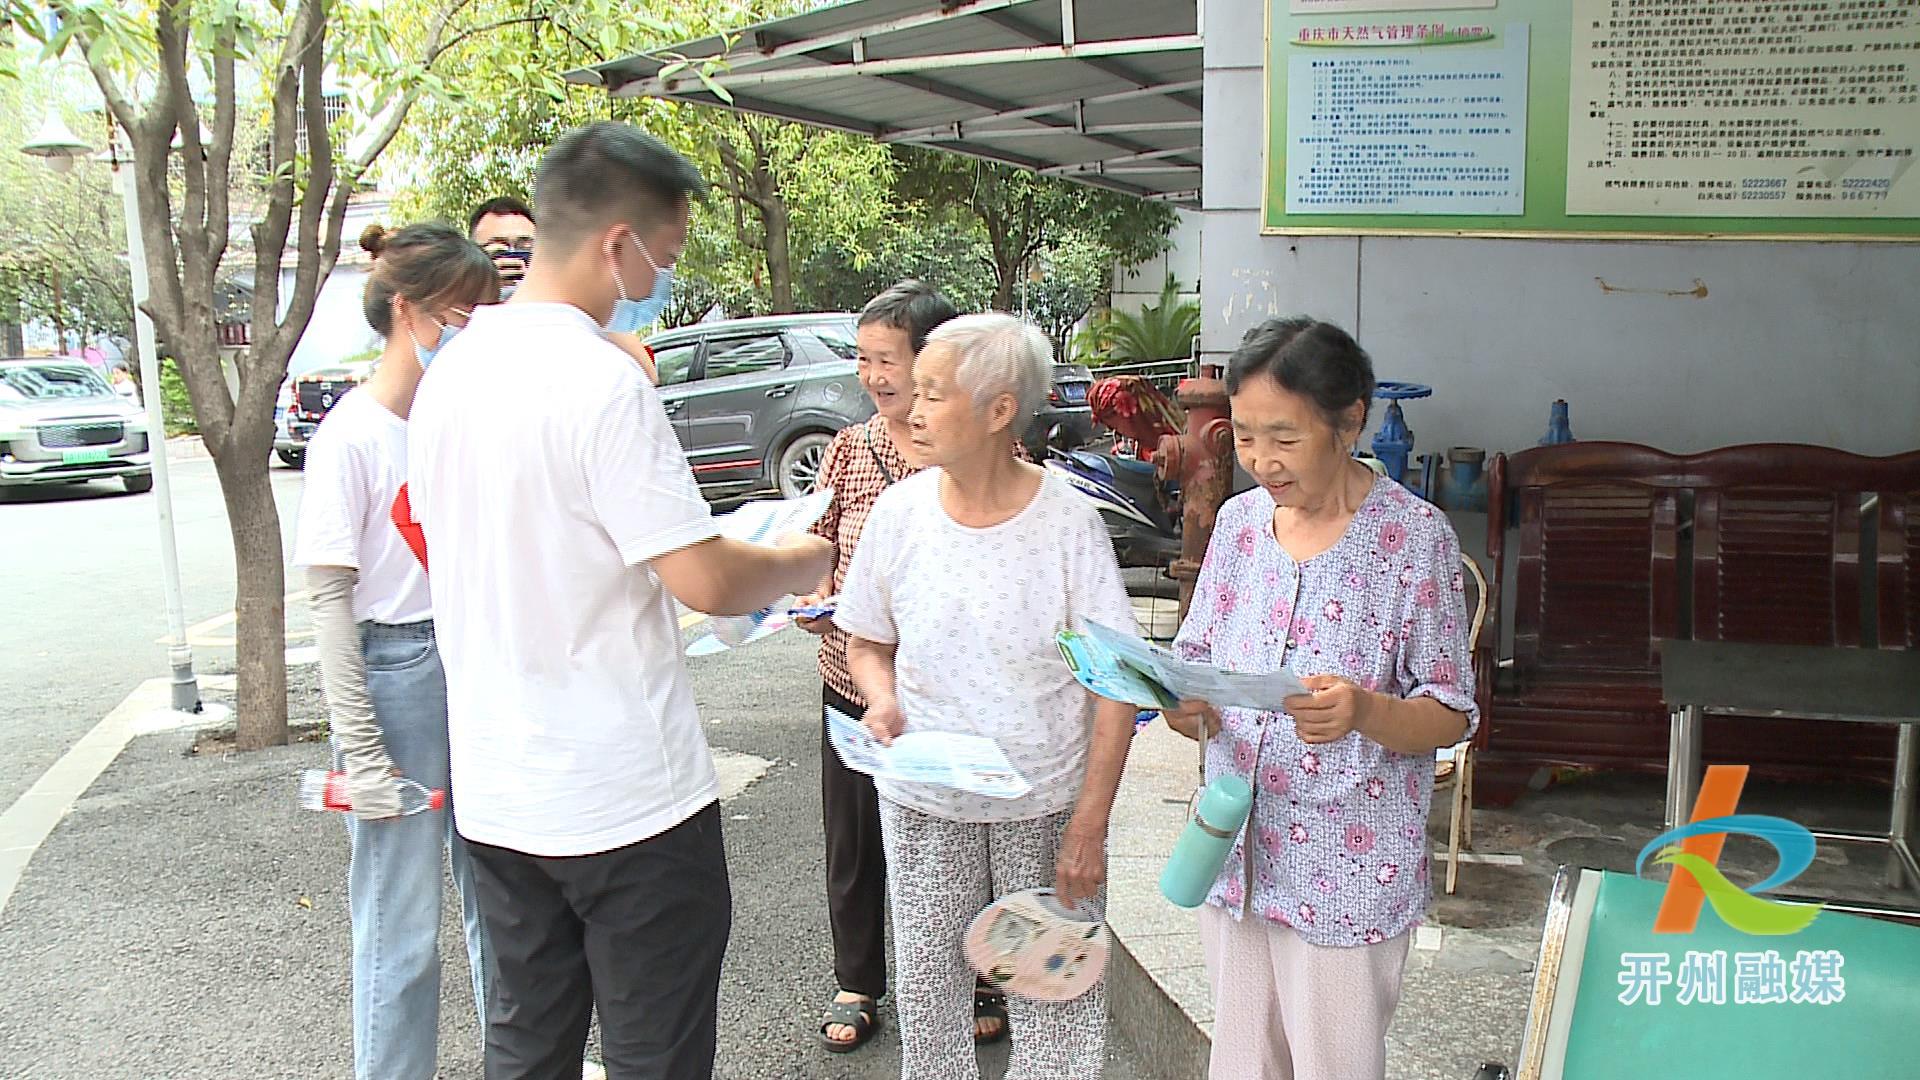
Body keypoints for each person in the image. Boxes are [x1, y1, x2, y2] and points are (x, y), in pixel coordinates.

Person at [409, 122, 834, 1080]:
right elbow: (706, 578)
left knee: (526, 1046)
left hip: (499, 790)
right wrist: (805, 556)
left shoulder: (453, 372)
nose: (663, 274)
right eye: (667, 251)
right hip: (626, 798)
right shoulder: (602, 380)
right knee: (656, 1053)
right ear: (618, 242)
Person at [1160, 317, 1477, 1080]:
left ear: (1349, 419)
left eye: (1284, 437)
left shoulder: (1413, 538)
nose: (1261, 461)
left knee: (1335, 1066)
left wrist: (1364, 711)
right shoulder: (1237, 526)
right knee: (1241, 1063)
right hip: (1233, 857)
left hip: (1347, 870)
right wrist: (1183, 704)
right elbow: (1195, 661)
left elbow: (1450, 711)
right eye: (1242, 437)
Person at [835, 312, 1140, 1080]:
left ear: (1000, 410)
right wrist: (879, 698)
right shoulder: (899, 516)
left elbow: (1116, 687)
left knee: (1053, 998)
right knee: (931, 1001)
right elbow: (866, 641)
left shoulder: (1069, 524)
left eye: (933, 395)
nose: (910, 410)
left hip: (1043, 807)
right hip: (924, 801)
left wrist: (1090, 825)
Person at [292, 222, 499, 1080]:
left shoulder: (456, 421)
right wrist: (365, 749)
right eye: (461, 314)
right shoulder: (351, 435)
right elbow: (330, 598)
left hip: (473, 661)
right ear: (407, 310)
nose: (471, 333)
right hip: (399, 673)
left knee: (504, 907)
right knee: (402, 923)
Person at [798, 281, 1028, 1053]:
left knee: (967, 839)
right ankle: (858, 979)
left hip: (961, 691)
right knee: (855, 840)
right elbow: (818, 542)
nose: (875, 376)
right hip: (854, 680)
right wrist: (816, 587)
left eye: (888, 360)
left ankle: (979, 977)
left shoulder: (994, 452)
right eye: (862, 360)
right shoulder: (848, 448)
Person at [469, 194, 660, 384]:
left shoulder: (571, 311)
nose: (514, 260)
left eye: (526, 249)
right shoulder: (455, 318)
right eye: (497, 252)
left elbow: (647, 373)